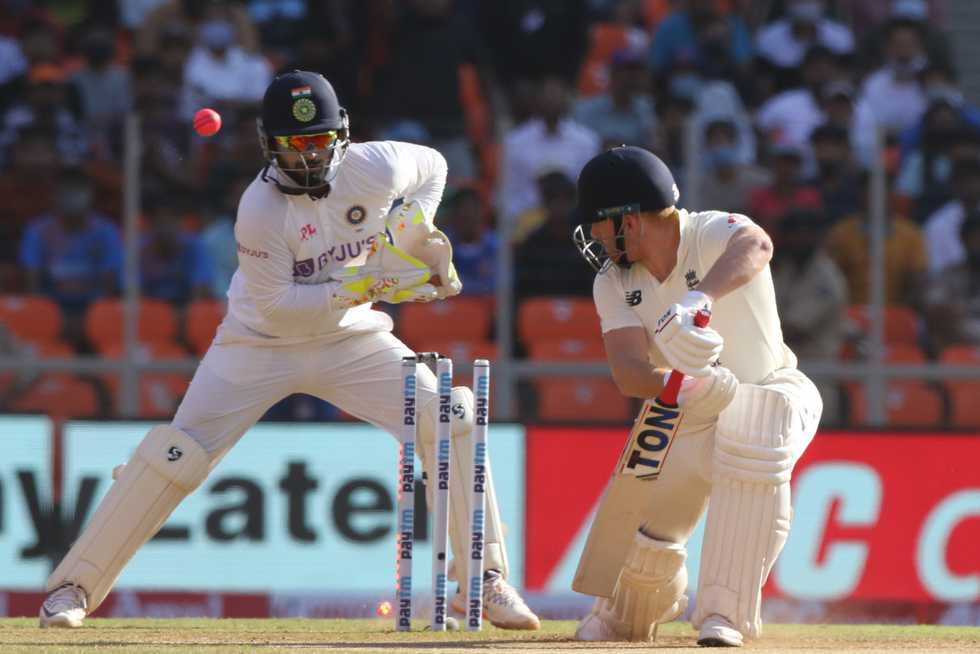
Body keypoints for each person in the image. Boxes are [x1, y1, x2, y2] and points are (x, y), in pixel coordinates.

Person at [38, 70, 539, 631]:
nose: (308, 157)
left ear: (342, 136)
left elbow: (436, 168)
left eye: (319, 143)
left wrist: (413, 230)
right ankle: (71, 588)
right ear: (268, 145)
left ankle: (485, 579)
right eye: (293, 145)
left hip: (351, 339)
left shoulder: (378, 165)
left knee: (450, 416)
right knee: (175, 455)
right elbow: (280, 307)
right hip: (257, 344)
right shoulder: (259, 208)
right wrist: (372, 281)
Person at [569, 146, 822, 646]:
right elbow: (629, 373)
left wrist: (697, 299)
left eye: (599, 225)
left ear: (630, 218)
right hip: (690, 406)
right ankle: (633, 610)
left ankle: (723, 615)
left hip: (777, 390)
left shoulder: (708, 231)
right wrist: (690, 385)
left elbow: (758, 244)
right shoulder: (613, 282)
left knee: (753, 423)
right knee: (635, 581)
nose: (594, 237)